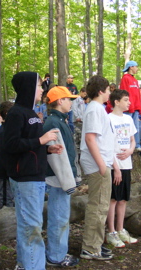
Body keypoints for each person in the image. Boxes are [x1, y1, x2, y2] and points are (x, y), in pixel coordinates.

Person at [4, 71, 63, 270]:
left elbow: (28, 144)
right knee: (32, 227)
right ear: (28, 88)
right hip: (25, 178)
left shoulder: (32, 113)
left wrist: (46, 148)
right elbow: (11, 145)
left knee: (29, 226)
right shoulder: (16, 113)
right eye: (39, 86)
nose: (42, 89)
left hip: (36, 176)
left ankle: (25, 264)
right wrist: (41, 140)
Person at [80, 75, 118, 261]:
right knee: (98, 206)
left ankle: (96, 243)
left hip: (102, 162)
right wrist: (102, 165)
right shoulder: (94, 109)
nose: (110, 93)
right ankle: (90, 247)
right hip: (98, 164)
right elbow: (90, 138)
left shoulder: (98, 109)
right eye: (108, 90)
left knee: (101, 205)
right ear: (101, 91)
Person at [43, 86, 80, 267]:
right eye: (68, 99)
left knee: (61, 218)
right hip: (58, 180)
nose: (71, 102)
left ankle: (58, 252)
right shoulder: (53, 123)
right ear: (59, 101)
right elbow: (57, 158)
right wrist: (68, 181)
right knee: (59, 219)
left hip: (62, 179)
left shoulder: (60, 121)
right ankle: (56, 256)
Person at [105, 89, 138, 248]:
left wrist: (131, 150)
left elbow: (132, 140)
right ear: (116, 102)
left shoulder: (129, 119)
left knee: (123, 199)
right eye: (126, 100)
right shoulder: (108, 119)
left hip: (127, 164)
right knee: (112, 199)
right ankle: (110, 232)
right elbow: (106, 146)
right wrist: (115, 167)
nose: (129, 103)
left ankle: (120, 229)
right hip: (114, 165)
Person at [120, 60, 141, 151]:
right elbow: (124, 93)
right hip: (128, 108)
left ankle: (136, 145)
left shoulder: (135, 80)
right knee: (127, 127)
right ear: (131, 67)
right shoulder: (125, 78)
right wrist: (126, 105)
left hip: (136, 108)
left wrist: (139, 107)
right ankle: (127, 145)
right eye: (136, 66)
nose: (137, 68)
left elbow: (137, 95)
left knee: (136, 127)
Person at [0, 101, 14, 208]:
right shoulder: (3, 131)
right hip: (4, 170)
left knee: (11, 194)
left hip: (11, 169)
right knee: (6, 196)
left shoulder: (10, 129)